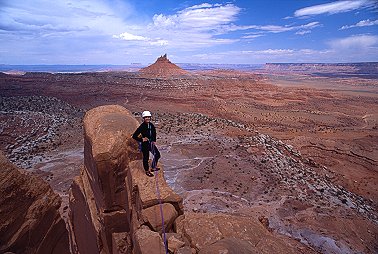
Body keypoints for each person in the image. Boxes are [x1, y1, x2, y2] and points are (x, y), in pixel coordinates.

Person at [132, 110, 161, 177]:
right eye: (146, 117)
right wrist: (141, 139)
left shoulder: (151, 125)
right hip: (145, 144)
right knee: (146, 158)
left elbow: (154, 133)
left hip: (150, 143)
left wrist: (154, 140)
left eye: (148, 117)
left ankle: (153, 167)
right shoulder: (142, 127)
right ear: (144, 118)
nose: (147, 118)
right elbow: (134, 136)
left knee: (157, 155)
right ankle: (147, 171)